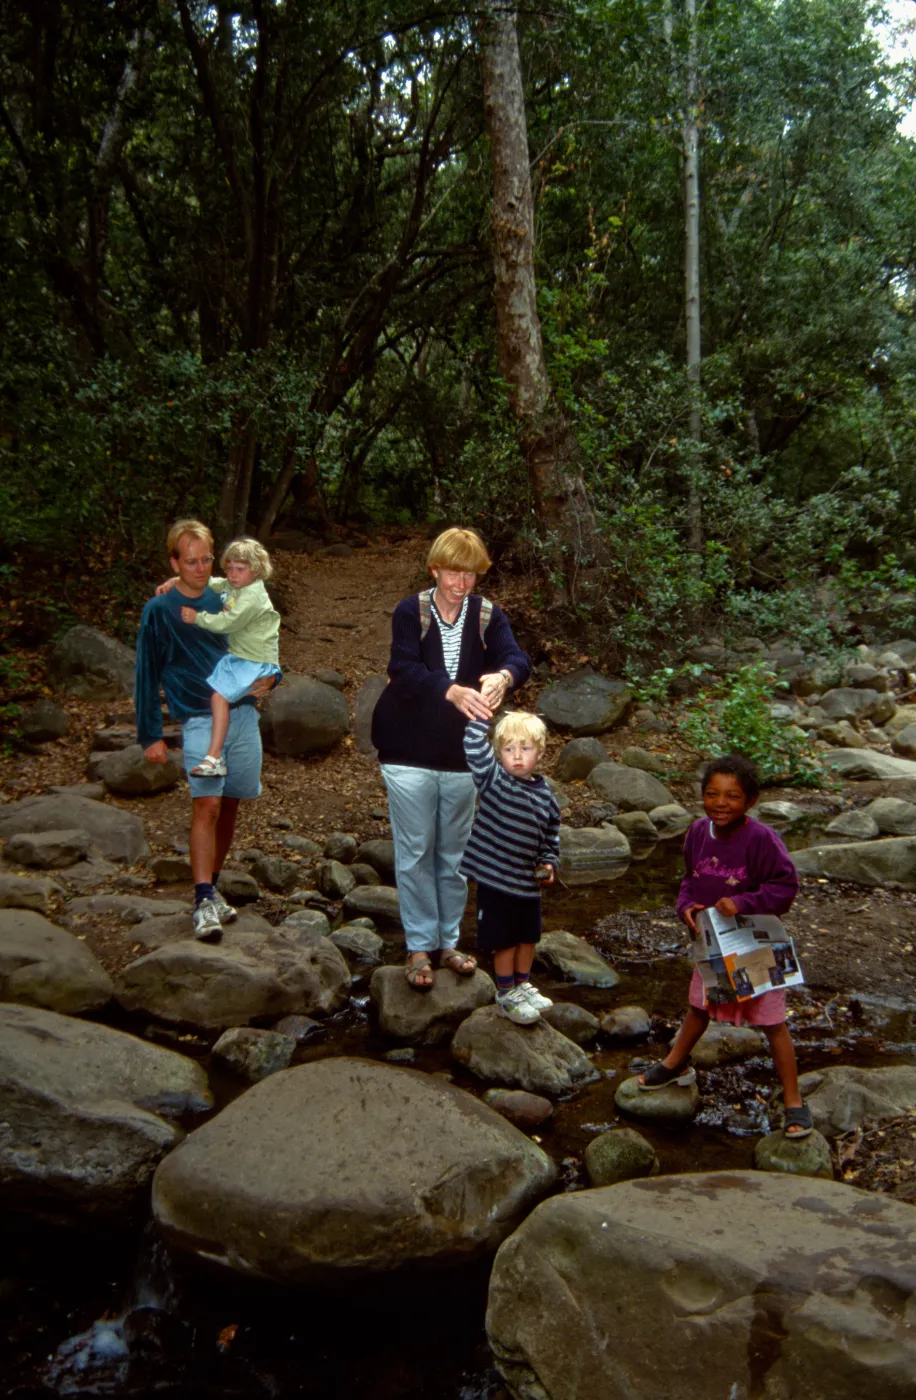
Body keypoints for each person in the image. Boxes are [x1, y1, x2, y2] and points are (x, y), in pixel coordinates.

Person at [371, 527, 531, 990]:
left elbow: (517, 657)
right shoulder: (411, 611)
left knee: (455, 854)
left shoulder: (486, 615)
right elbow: (402, 667)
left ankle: (449, 943)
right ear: (435, 569)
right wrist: (451, 689)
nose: (461, 583)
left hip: (465, 754)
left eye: (470, 574)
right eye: (453, 572)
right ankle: (419, 946)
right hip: (406, 750)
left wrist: (503, 676)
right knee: (416, 848)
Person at [638, 753, 813, 1139]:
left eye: (732, 796)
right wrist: (686, 907)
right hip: (713, 942)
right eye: (713, 794)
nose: (721, 803)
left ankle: (794, 1100)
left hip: (755, 943)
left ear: (750, 801)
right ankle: (674, 1064)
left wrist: (744, 903)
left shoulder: (762, 839)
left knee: (772, 1022)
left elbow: (785, 887)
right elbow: (690, 878)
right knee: (699, 1007)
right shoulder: (698, 832)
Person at [135, 520, 273, 941]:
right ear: (174, 562)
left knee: (230, 804)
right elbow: (147, 671)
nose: (199, 568)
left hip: (243, 713)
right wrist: (150, 734)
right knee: (206, 807)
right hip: (197, 718)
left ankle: (211, 888)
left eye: (206, 559)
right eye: (189, 561)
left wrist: (273, 678)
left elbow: (263, 639)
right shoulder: (160, 610)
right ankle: (200, 900)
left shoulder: (229, 594)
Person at [460, 711, 560, 1024]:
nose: (517, 756)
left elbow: (551, 837)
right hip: (495, 881)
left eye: (525, 749)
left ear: (540, 752)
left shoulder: (546, 796)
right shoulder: (494, 780)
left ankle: (522, 983)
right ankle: (505, 993)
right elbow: (474, 750)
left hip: (527, 884)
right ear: (499, 752)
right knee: (503, 940)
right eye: (508, 749)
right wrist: (479, 717)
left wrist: (549, 862)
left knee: (528, 937)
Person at [156, 537, 281, 778]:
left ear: (255, 570)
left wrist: (197, 618)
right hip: (243, 656)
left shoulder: (252, 597)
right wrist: (178, 580)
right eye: (230, 567)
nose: (233, 574)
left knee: (218, 697)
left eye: (240, 569)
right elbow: (218, 583)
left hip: (253, 659)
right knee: (218, 696)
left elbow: (229, 622)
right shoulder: (238, 585)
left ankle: (214, 757)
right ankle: (216, 756)